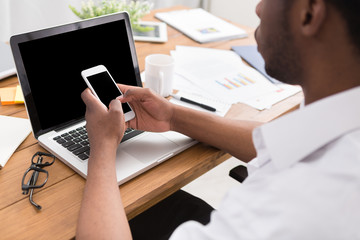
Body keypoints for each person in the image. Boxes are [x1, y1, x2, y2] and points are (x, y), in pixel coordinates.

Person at [76, 0, 360, 239]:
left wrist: (102, 148)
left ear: (309, 14)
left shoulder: (295, 206)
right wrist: (173, 116)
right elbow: (277, 141)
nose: (259, 9)